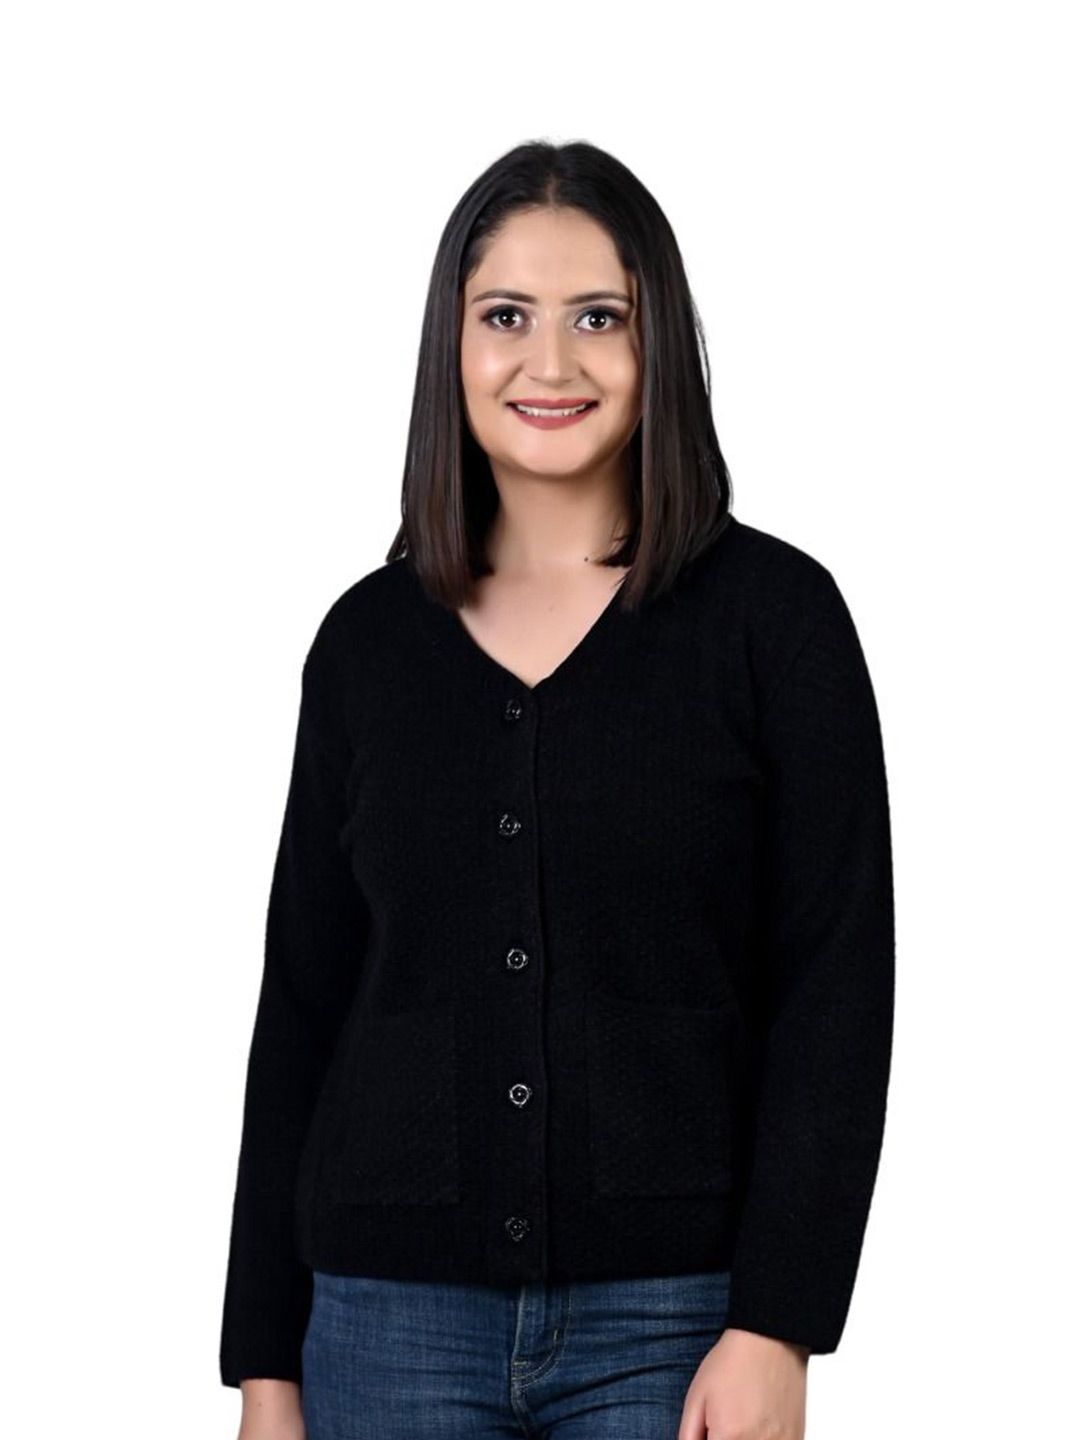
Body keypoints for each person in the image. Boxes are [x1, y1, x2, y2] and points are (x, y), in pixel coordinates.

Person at [219, 139, 895, 1440]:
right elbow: (301, 1004)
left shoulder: (775, 623)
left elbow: (836, 989)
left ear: (660, 345)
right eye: (505, 317)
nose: (550, 363)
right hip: (383, 1322)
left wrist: (779, 1321)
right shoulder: (365, 647)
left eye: (599, 317)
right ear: (452, 344)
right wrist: (264, 1364)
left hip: (677, 1321)